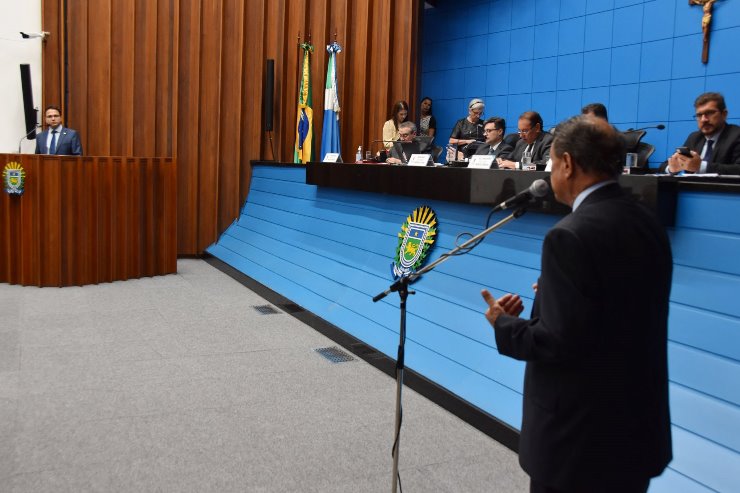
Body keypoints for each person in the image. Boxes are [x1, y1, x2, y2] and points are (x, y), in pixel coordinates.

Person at [481, 115, 673, 493]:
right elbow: (614, 306)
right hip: (634, 430)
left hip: (579, 441)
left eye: (552, 163)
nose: (551, 173)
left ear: (568, 164)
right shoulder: (647, 222)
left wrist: (503, 324)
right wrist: (557, 290)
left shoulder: (569, 236)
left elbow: (558, 342)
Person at [660, 92, 740, 175]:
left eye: (710, 113)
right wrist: (672, 168)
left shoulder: (736, 135)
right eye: (699, 115)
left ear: (724, 114)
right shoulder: (695, 137)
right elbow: (664, 165)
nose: (703, 119)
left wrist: (701, 166)